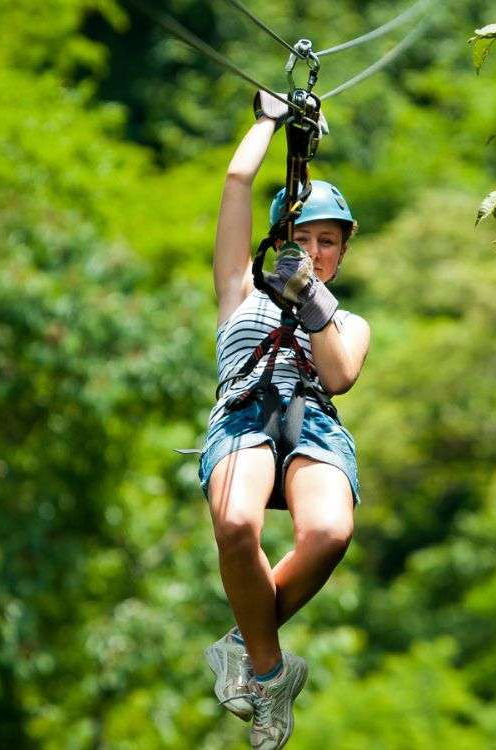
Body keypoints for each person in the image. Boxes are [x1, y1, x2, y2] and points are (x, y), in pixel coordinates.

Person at [199, 91, 370, 750]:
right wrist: (269, 122)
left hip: (313, 421)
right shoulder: (238, 288)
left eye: (328, 242)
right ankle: (270, 675)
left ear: (342, 253)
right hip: (245, 414)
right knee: (238, 525)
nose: (315, 250)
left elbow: (341, 375)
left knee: (329, 530)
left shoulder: (349, 320)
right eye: (302, 239)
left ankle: (244, 643)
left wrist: (311, 297)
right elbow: (238, 181)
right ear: (279, 241)